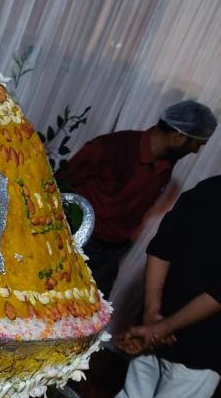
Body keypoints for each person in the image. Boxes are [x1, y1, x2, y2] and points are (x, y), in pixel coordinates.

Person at [57, 100, 216, 297]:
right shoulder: (109, 148)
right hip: (77, 242)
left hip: (110, 254)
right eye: (196, 144)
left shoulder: (166, 165)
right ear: (178, 137)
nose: (195, 151)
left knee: (96, 308)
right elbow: (59, 186)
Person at [110, 175, 221, 398]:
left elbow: (161, 248)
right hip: (198, 345)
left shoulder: (209, 188)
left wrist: (152, 315)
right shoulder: (209, 189)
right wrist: (158, 326)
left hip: (155, 325)